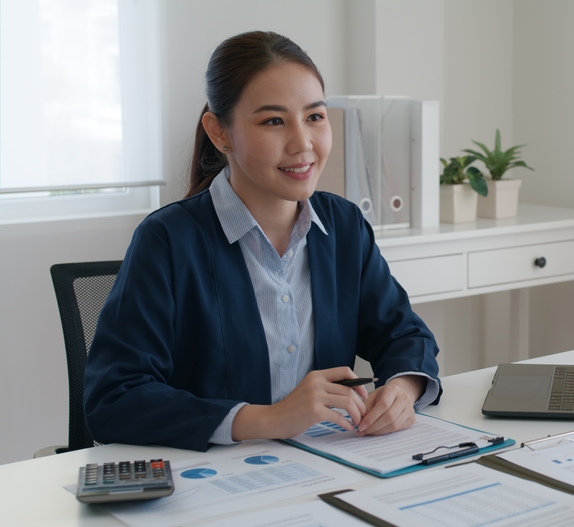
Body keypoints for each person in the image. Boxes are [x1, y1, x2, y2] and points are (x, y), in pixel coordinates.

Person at [83, 31, 441, 451]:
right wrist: (268, 418)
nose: (303, 144)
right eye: (274, 121)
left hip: (325, 467)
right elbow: (114, 398)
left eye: (315, 117)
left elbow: (403, 334)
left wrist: (404, 387)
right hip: (215, 484)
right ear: (220, 133)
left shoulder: (343, 225)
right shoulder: (167, 241)